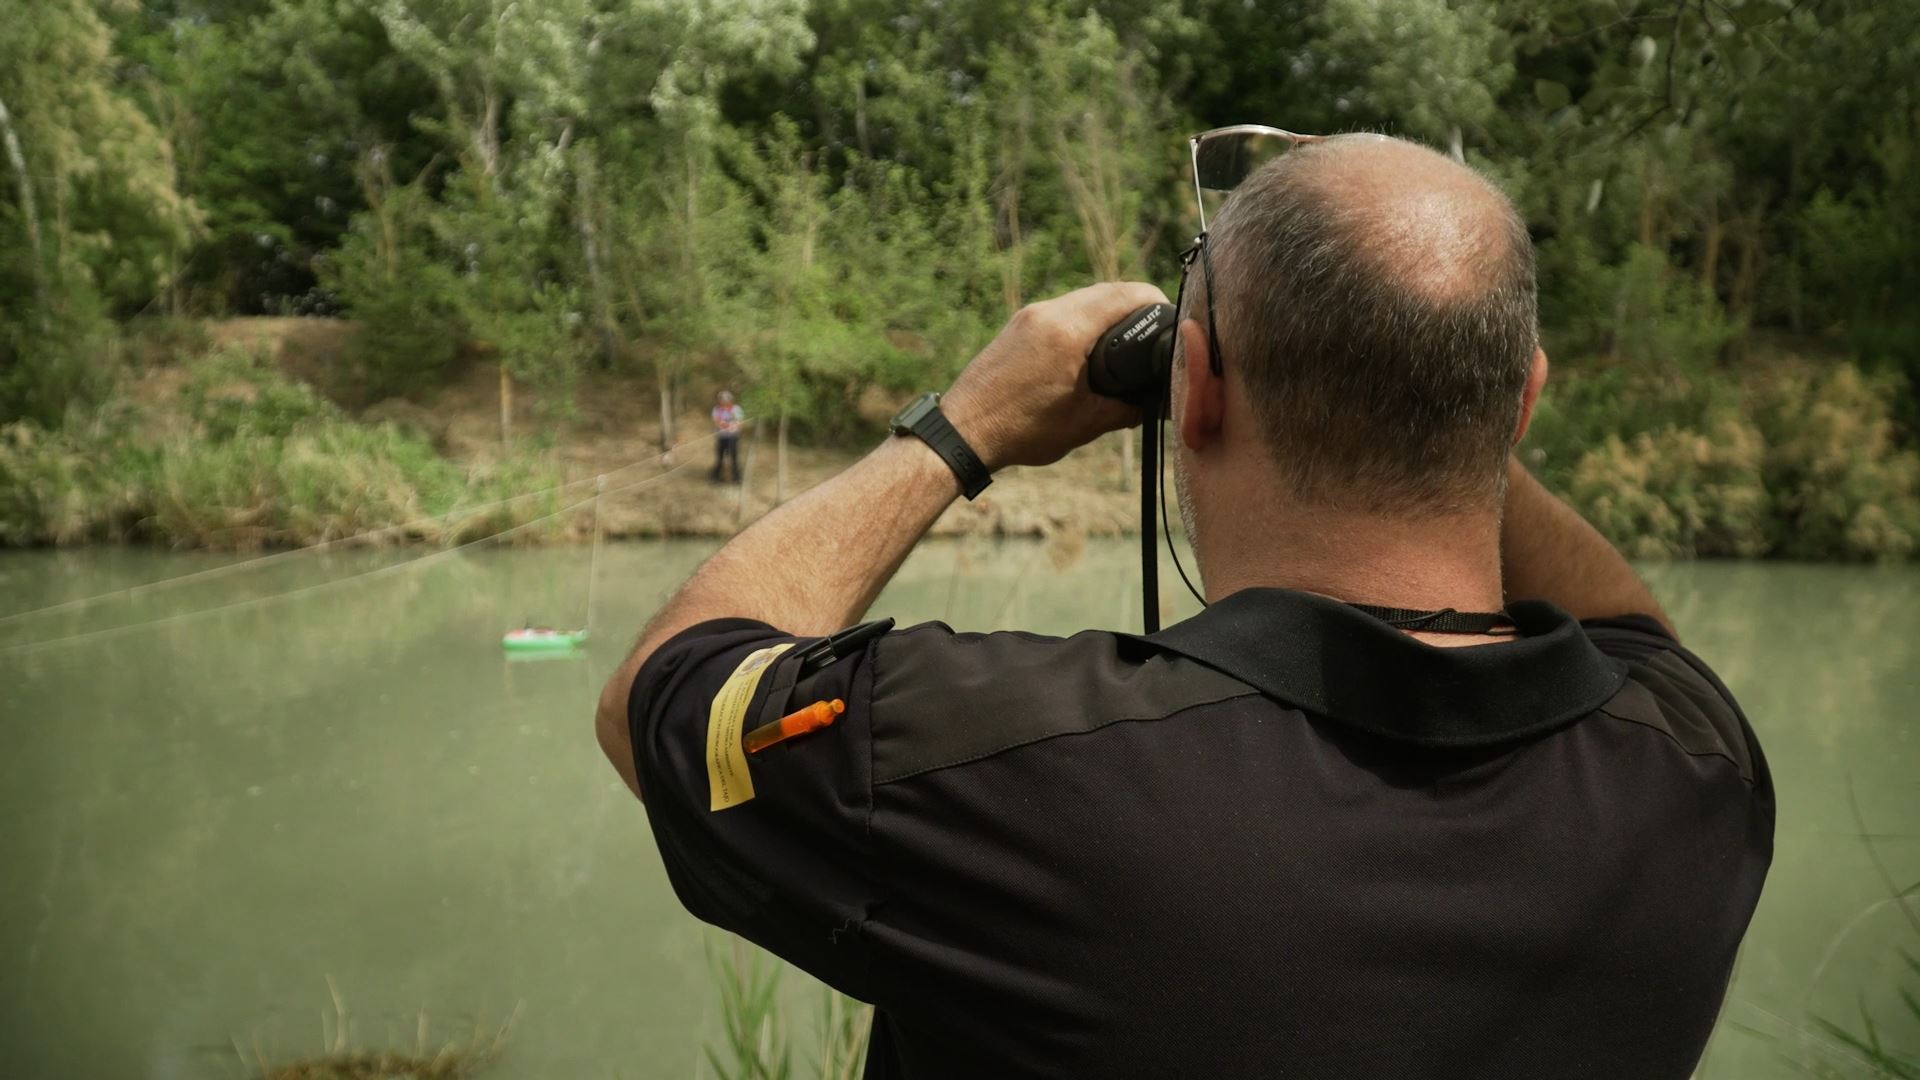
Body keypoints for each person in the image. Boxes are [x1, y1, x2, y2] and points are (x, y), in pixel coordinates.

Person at [596, 134, 1772, 1079]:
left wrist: (963, 428)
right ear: (1522, 407)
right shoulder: (1693, 769)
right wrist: (1424, 374)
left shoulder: (1003, 771)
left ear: (1191, 388)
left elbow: (663, 692)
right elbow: (1634, 635)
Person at [710, 390, 743, 483]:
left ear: (730, 400)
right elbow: (716, 421)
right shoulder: (716, 409)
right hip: (721, 437)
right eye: (720, 400)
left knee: (733, 458)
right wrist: (725, 425)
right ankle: (716, 478)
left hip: (733, 437)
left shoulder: (736, 409)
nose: (722, 402)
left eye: (724, 400)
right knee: (719, 458)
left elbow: (739, 423)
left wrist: (733, 424)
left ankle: (736, 478)